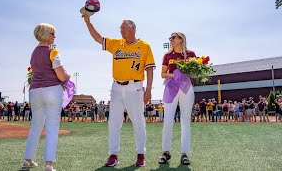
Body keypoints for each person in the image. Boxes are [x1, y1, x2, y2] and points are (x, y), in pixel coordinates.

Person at [82, 14, 155, 167]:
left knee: (138, 122)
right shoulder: (116, 43)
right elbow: (98, 38)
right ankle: (113, 154)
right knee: (114, 122)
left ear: (132, 28)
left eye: (123, 27)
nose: (120, 30)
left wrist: (148, 89)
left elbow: (149, 70)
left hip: (135, 87)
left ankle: (140, 153)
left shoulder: (145, 46)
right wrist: (88, 22)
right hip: (116, 87)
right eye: (120, 28)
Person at [21, 23, 70, 171]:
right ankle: (49, 164)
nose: (54, 37)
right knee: (52, 128)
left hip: (35, 91)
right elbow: (61, 76)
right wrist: (68, 75)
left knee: (35, 127)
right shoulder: (53, 52)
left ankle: (27, 160)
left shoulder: (34, 53)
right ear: (46, 35)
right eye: (53, 34)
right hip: (52, 91)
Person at [158, 32, 196, 165]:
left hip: (186, 88)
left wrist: (188, 71)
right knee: (167, 121)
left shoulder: (191, 54)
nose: (171, 39)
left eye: (173, 37)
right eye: (170, 38)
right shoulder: (167, 55)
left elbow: (194, 72)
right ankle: (166, 152)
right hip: (171, 88)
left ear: (181, 39)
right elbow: (162, 74)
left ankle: (184, 154)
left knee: (185, 122)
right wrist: (173, 75)